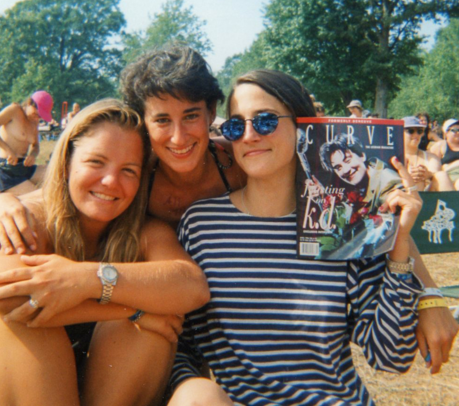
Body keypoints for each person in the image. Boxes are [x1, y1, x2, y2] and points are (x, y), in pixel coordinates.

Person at [0, 46, 458, 374]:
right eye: (162, 121)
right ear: (144, 123)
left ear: (211, 114)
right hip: (122, 308)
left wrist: (430, 295)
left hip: (182, 318)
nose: (178, 137)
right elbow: (50, 192)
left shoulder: (238, 165)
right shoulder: (136, 170)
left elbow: (367, 211)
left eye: (191, 116)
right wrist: (2, 201)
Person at [168, 70, 424, 405]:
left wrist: (400, 248)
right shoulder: (201, 225)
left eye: (265, 121)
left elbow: (391, 356)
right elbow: (180, 346)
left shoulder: (342, 223)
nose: (249, 135)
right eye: (234, 125)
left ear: (304, 126)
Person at [0, 99, 210, 406]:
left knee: (154, 321)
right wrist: (132, 309)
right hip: (8, 381)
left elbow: (192, 285)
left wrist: (88, 278)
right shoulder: (29, 217)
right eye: (96, 162)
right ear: (67, 162)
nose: (110, 181)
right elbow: (4, 296)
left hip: (97, 388)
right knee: (29, 319)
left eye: (128, 170)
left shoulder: (143, 231)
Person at [0, 90, 52, 195]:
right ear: (29, 103)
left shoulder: (34, 121)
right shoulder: (14, 110)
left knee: (57, 174)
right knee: (40, 198)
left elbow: (35, 145)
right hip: (8, 169)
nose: (37, 118)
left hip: (24, 167)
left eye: (40, 116)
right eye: (36, 113)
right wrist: (8, 150)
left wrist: (32, 155)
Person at [403, 116, 453, 191]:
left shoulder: (430, 157)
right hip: (401, 195)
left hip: (427, 197)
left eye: (419, 131)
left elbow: (435, 171)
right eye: (411, 131)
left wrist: (427, 174)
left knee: (441, 175)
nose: (416, 135)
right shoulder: (393, 156)